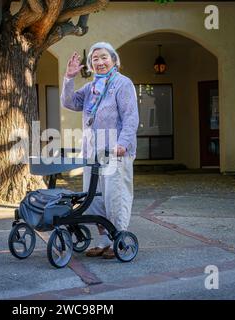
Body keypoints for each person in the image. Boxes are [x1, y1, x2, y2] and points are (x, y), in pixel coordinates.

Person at [60, 42, 139, 259]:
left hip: (115, 151)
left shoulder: (123, 84)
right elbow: (69, 102)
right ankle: (104, 239)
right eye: (95, 59)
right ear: (91, 65)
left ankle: (119, 238)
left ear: (114, 60)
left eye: (104, 57)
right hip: (92, 153)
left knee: (116, 196)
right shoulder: (91, 87)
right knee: (94, 198)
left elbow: (131, 117)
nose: (100, 62)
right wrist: (69, 77)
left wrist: (123, 143)